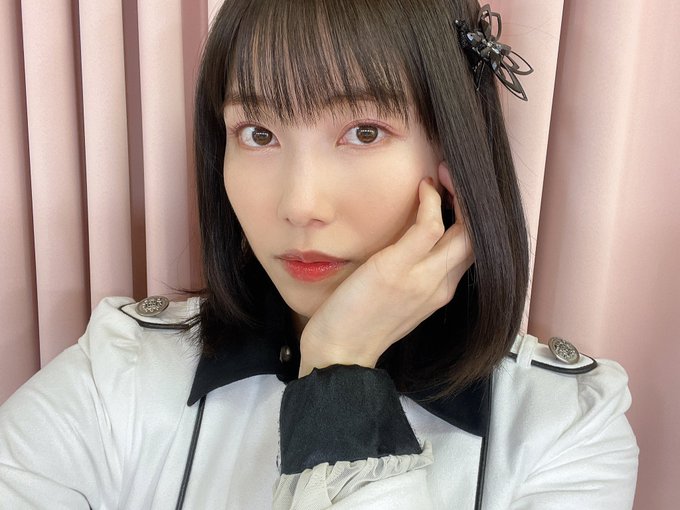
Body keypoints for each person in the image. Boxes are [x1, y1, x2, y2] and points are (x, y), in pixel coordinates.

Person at [0, 1, 639, 508]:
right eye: (258, 133)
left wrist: (342, 371)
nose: (300, 204)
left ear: (454, 154)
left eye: (364, 131)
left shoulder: (564, 431)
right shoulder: (118, 375)